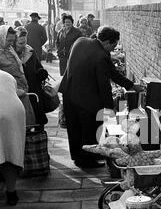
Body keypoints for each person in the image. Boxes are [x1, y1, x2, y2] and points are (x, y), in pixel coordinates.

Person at [58, 26, 144, 168]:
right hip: (86, 99)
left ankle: (78, 158)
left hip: (69, 92)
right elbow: (104, 86)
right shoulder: (101, 56)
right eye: (114, 45)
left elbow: (113, 73)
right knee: (89, 130)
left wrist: (131, 85)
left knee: (74, 129)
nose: (114, 48)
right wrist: (110, 109)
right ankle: (88, 161)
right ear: (107, 42)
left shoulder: (80, 41)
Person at [0, 25, 36, 126]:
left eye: (13, 40)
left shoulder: (10, 50)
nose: (11, 43)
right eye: (9, 40)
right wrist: (14, 91)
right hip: (8, 98)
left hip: (22, 93)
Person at [0, 70, 26, 206]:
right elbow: (16, 92)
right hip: (13, 112)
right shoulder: (6, 75)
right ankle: (11, 193)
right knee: (10, 151)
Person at [14, 26, 48, 127]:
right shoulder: (10, 55)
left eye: (25, 42)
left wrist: (41, 73)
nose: (23, 46)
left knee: (37, 119)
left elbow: (38, 67)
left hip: (34, 90)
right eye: (20, 43)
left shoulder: (30, 51)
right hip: (19, 92)